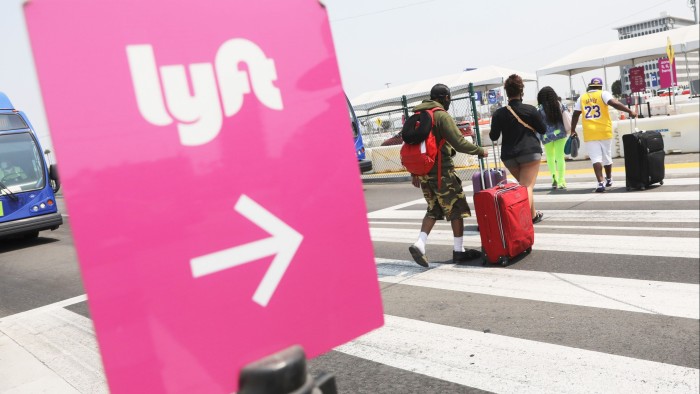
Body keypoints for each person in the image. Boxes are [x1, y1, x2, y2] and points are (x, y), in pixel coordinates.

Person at [409, 83, 488, 268]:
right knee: (457, 208)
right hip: (442, 172)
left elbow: (412, 145)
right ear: (445, 97)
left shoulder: (418, 115)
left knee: (434, 208)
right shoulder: (441, 115)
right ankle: (458, 251)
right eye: (449, 98)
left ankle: (419, 244)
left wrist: (414, 172)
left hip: (424, 173)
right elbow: (459, 142)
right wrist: (479, 150)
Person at [489, 74, 547, 224]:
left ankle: (533, 215)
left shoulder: (498, 113)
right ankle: (520, 223)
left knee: (524, 186)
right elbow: (543, 130)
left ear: (506, 92)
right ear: (522, 91)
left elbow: (493, 136)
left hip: (509, 156)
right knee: (526, 187)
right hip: (529, 153)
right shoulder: (530, 110)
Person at [570, 77, 637, 192]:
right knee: (607, 156)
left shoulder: (582, 97)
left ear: (590, 86)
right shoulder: (603, 94)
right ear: (600, 86)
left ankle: (600, 183)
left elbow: (575, 115)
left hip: (590, 132)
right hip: (604, 130)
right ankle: (609, 179)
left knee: (596, 158)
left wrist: (573, 130)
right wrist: (629, 111)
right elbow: (614, 103)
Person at [537, 86, 570, 190]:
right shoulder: (560, 105)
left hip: (546, 136)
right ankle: (561, 180)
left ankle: (553, 178)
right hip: (560, 134)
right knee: (560, 157)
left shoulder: (540, 109)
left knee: (550, 157)